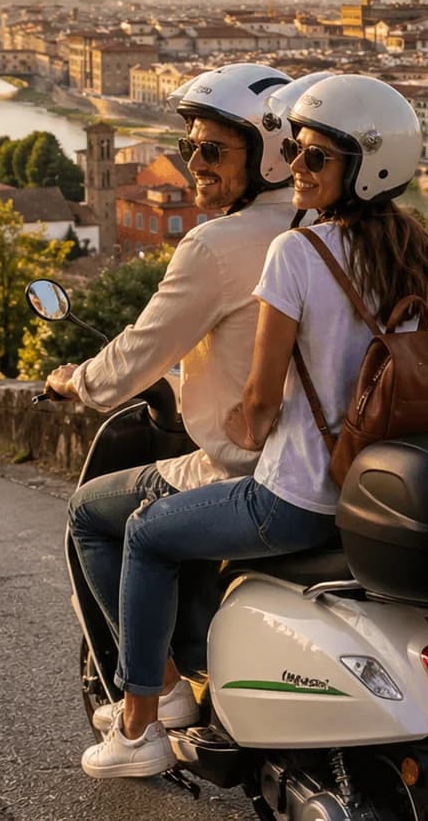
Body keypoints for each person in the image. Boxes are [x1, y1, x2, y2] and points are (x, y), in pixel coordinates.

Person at [82, 73, 428, 780]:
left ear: (361, 169)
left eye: (316, 158)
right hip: (376, 494)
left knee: (145, 531)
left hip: (293, 500)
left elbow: (256, 412)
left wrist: (239, 425)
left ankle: (141, 726)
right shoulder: (418, 260)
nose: (297, 169)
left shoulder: (298, 254)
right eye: (297, 154)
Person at [45, 63, 296, 774]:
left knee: (94, 515)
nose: (194, 163)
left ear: (269, 153)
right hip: (314, 459)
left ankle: (149, 706)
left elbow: (138, 356)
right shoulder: (326, 229)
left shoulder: (218, 245)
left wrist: (77, 384)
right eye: (190, 147)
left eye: (212, 149)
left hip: (247, 464)